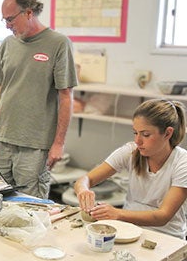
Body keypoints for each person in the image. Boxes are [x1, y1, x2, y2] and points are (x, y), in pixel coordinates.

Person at [0, 0, 78, 199]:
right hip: (3, 139)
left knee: (30, 207)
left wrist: (58, 143)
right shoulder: (8, 44)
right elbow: (1, 89)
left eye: (10, 19)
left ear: (28, 13)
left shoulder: (59, 43)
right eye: (3, 20)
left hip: (35, 145)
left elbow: (65, 96)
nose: (7, 25)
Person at [75, 99, 187, 239]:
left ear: (167, 133)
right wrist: (83, 190)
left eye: (146, 135)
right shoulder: (131, 152)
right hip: (128, 230)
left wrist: (118, 213)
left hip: (167, 236)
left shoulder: (182, 163)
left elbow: (162, 216)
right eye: (135, 133)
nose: (137, 141)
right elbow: (85, 179)